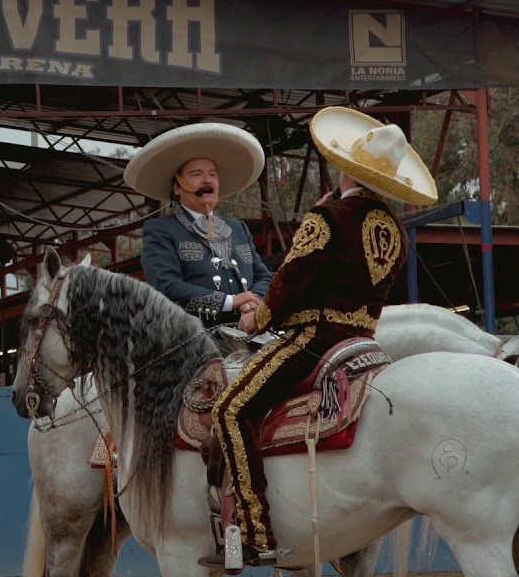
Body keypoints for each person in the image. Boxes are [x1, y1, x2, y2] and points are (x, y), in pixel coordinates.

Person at [204, 107, 437, 567]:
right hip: (364, 346)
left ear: (348, 169)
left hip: (312, 342)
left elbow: (290, 281)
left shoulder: (328, 217)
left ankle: (254, 529)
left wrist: (257, 320)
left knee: (229, 410)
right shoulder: (396, 232)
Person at [123, 123, 273, 327]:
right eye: (197, 174)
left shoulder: (238, 228)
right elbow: (166, 286)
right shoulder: (161, 229)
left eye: (212, 174)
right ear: (177, 187)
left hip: (250, 329)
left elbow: (263, 276)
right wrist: (231, 302)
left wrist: (253, 304)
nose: (207, 180)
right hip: (194, 336)